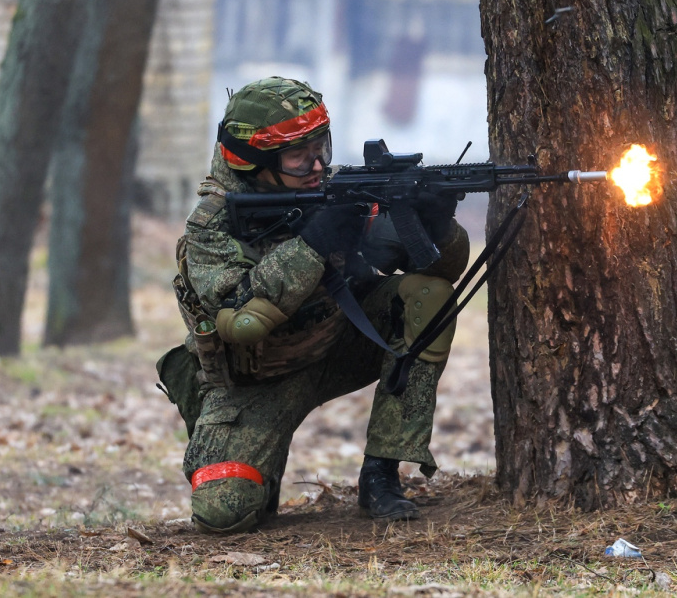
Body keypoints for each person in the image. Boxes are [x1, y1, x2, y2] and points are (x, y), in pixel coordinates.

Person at [156, 77, 470, 533]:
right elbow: (242, 321)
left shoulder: (336, 192)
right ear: (255, 161)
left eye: (321, 145)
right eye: (298, 155)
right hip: (254, 382)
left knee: (429, 299)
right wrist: (316, 240)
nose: (318, 163)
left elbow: (441, 271)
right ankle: (260, 475)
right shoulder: (211, 226)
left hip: (338, 346)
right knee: (226, 514)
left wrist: (436, 223)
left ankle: (381, 474)